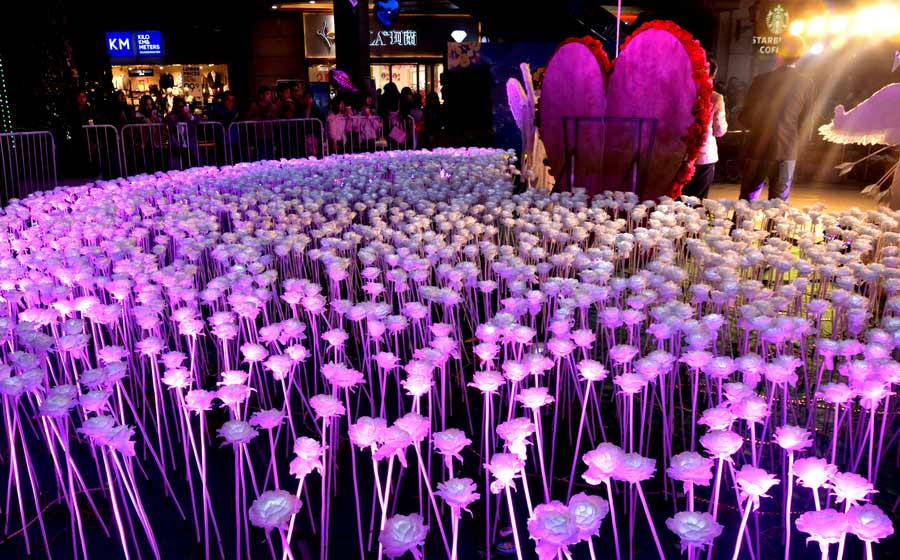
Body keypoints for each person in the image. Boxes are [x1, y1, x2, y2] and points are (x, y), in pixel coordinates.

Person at [738, 35, 815, 201]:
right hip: (786, 148)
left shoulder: (760, 80)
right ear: (800, 57)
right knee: (778, 203)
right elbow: (806, 122)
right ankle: (772, 228)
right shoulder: (806, 84)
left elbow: (745, 116)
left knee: (747, 200)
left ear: (777, 54)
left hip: (757, 147)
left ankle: (740, 226)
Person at [683, 60, 727, 200]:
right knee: (698, 200)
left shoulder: (683, 94)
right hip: (704, 154)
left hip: (680, 154)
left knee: (678, 199)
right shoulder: (716, 98)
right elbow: (719, 130)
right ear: (713, 75)